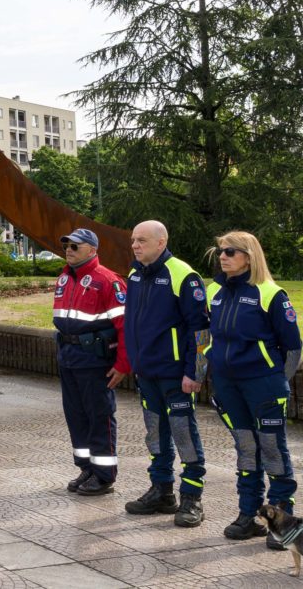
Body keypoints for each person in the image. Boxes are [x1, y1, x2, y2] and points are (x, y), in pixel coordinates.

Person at [205, 230, 302, 547]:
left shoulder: (271, 293)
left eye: (230, 251)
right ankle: (249, 516)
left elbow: (293, 347)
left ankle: (283, 522)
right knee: (246, 449)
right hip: (228, 385)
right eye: (221, 250)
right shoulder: (215, 292)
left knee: (272, 450)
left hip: (263, 385)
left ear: (249, 255)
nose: (223, 256)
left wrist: (277, 383)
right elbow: (207, 339)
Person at [122, 220, 209, 527]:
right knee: (154, 435)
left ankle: (191, 498)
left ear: (161, 242)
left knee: (184, 434)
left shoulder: (184, 276)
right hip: (147, 373)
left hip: (176, 375)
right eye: (133, 240)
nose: (135, 245)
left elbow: (200, 330)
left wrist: (195, 373)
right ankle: (162, 491)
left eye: (141, 240)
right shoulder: (134, 274)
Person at [53, 227, 130, 495]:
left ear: (93, 250)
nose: (69, 250)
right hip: (69, 357)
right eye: (67, 245)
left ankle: (104, 475)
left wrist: (122, 365)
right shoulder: (64, 277)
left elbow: (125, 327)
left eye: (75, 246)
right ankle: (86, 467)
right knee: (76, 416)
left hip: (95, 360)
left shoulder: (108, 281)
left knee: (99, 417)